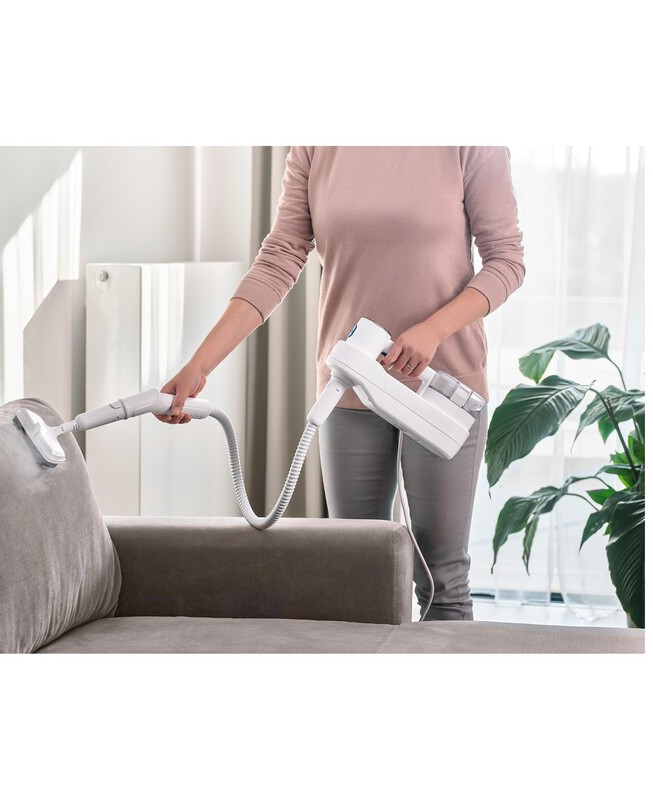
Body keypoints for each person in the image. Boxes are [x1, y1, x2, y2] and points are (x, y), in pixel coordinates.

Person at [155, 147, 525, 621]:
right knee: (358, 574)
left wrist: (434, 331)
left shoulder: (470, 143)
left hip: (443, 389)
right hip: (349, 387)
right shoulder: (315, 146)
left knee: (443, 582)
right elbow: (278, 260)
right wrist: (200, 365)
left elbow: (507, 261)